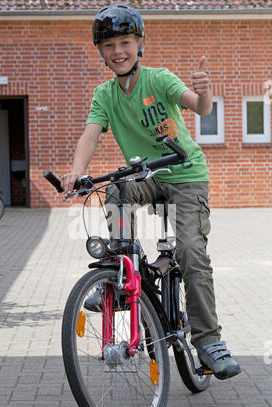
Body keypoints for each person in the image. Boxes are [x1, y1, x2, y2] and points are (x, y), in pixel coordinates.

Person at [61, 3, 241, 380]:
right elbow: (90, 135)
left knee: (191, 250)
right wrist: (77, 172)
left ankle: (208, 341)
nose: (118, 52)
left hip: (186, 173)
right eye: (109, 45)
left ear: (139, 44)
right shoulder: (105, 95)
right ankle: (124, 275)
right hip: (147, 174)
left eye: (125, 42)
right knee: (116, 193)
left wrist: (204, 92)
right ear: (101, 52)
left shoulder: (159, 79)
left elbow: (200, 108)